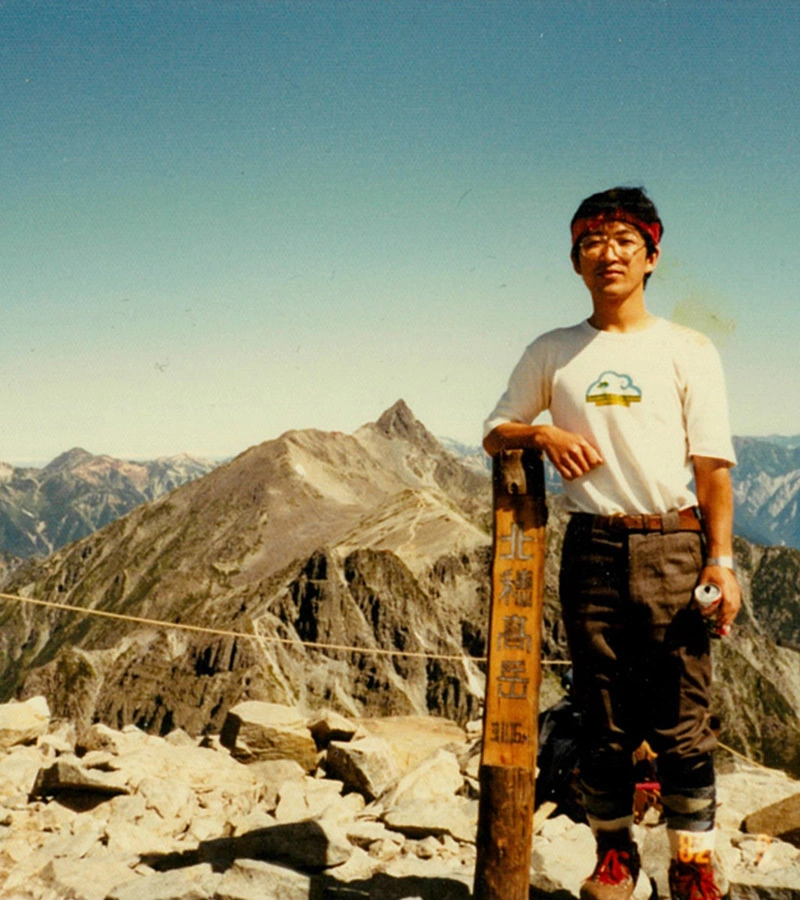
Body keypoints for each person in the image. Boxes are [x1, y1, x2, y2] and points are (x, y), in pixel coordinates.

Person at [483, 187, 740, 900]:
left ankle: (692, 863)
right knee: (603, 717)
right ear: (576, 261)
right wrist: (541, 432)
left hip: (674, 540)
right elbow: (496, 431)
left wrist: (722, 561)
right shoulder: (553, 350)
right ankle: (614, 855)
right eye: (592, 243)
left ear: (652, 256)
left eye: (625, 240)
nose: (609, 254)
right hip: (591, 546)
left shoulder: (688, 349)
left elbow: (713, 469)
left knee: (683, 718)